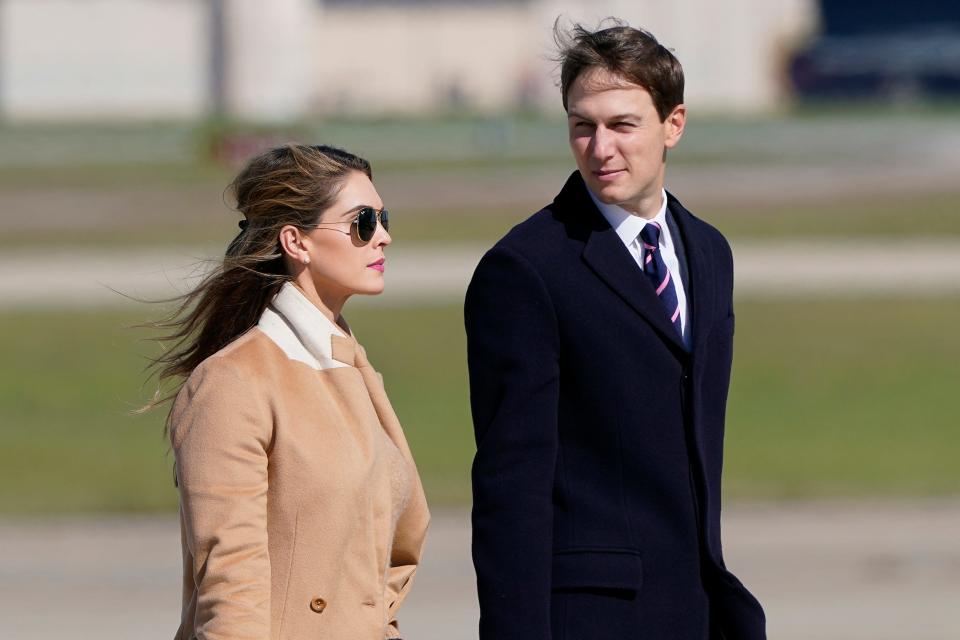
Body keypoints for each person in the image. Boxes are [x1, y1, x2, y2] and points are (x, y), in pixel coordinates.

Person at [464, 22, 765, 640]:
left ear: (672, 125)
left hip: (701, 610)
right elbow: (509, 487)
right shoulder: (525, 270)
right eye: (583, 125)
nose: (600, 148)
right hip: (590, 616)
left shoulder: (710, 252)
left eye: (622, 125)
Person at [150, 144, 429, 639]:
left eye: (383, 217)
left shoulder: (351, 367)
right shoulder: (232, 383)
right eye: (362, 222)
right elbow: (231, 591)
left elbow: (396, 548)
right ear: (296, 242)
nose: (382, 237)